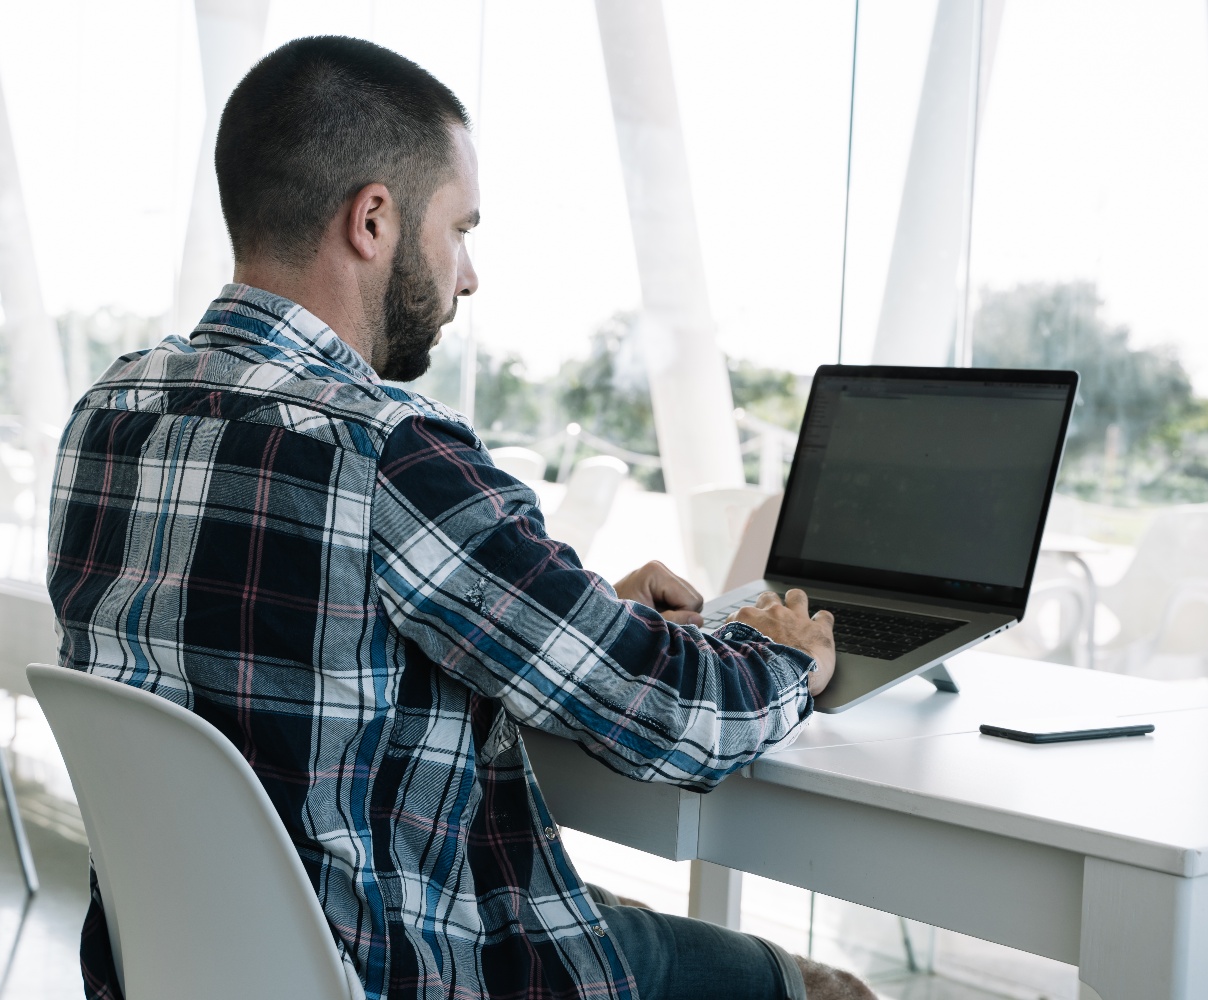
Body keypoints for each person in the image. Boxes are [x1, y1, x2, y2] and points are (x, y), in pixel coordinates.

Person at [47, 34, 876, 1000]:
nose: (469, 275)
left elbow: (288, 631)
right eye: (461, 230)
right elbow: (671, 718)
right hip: (406, 970)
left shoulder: (110, 414)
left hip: (181, 973)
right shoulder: (386, 449)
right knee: (826, 993)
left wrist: (574, 610)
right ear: (373, 220)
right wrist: (785, 654)